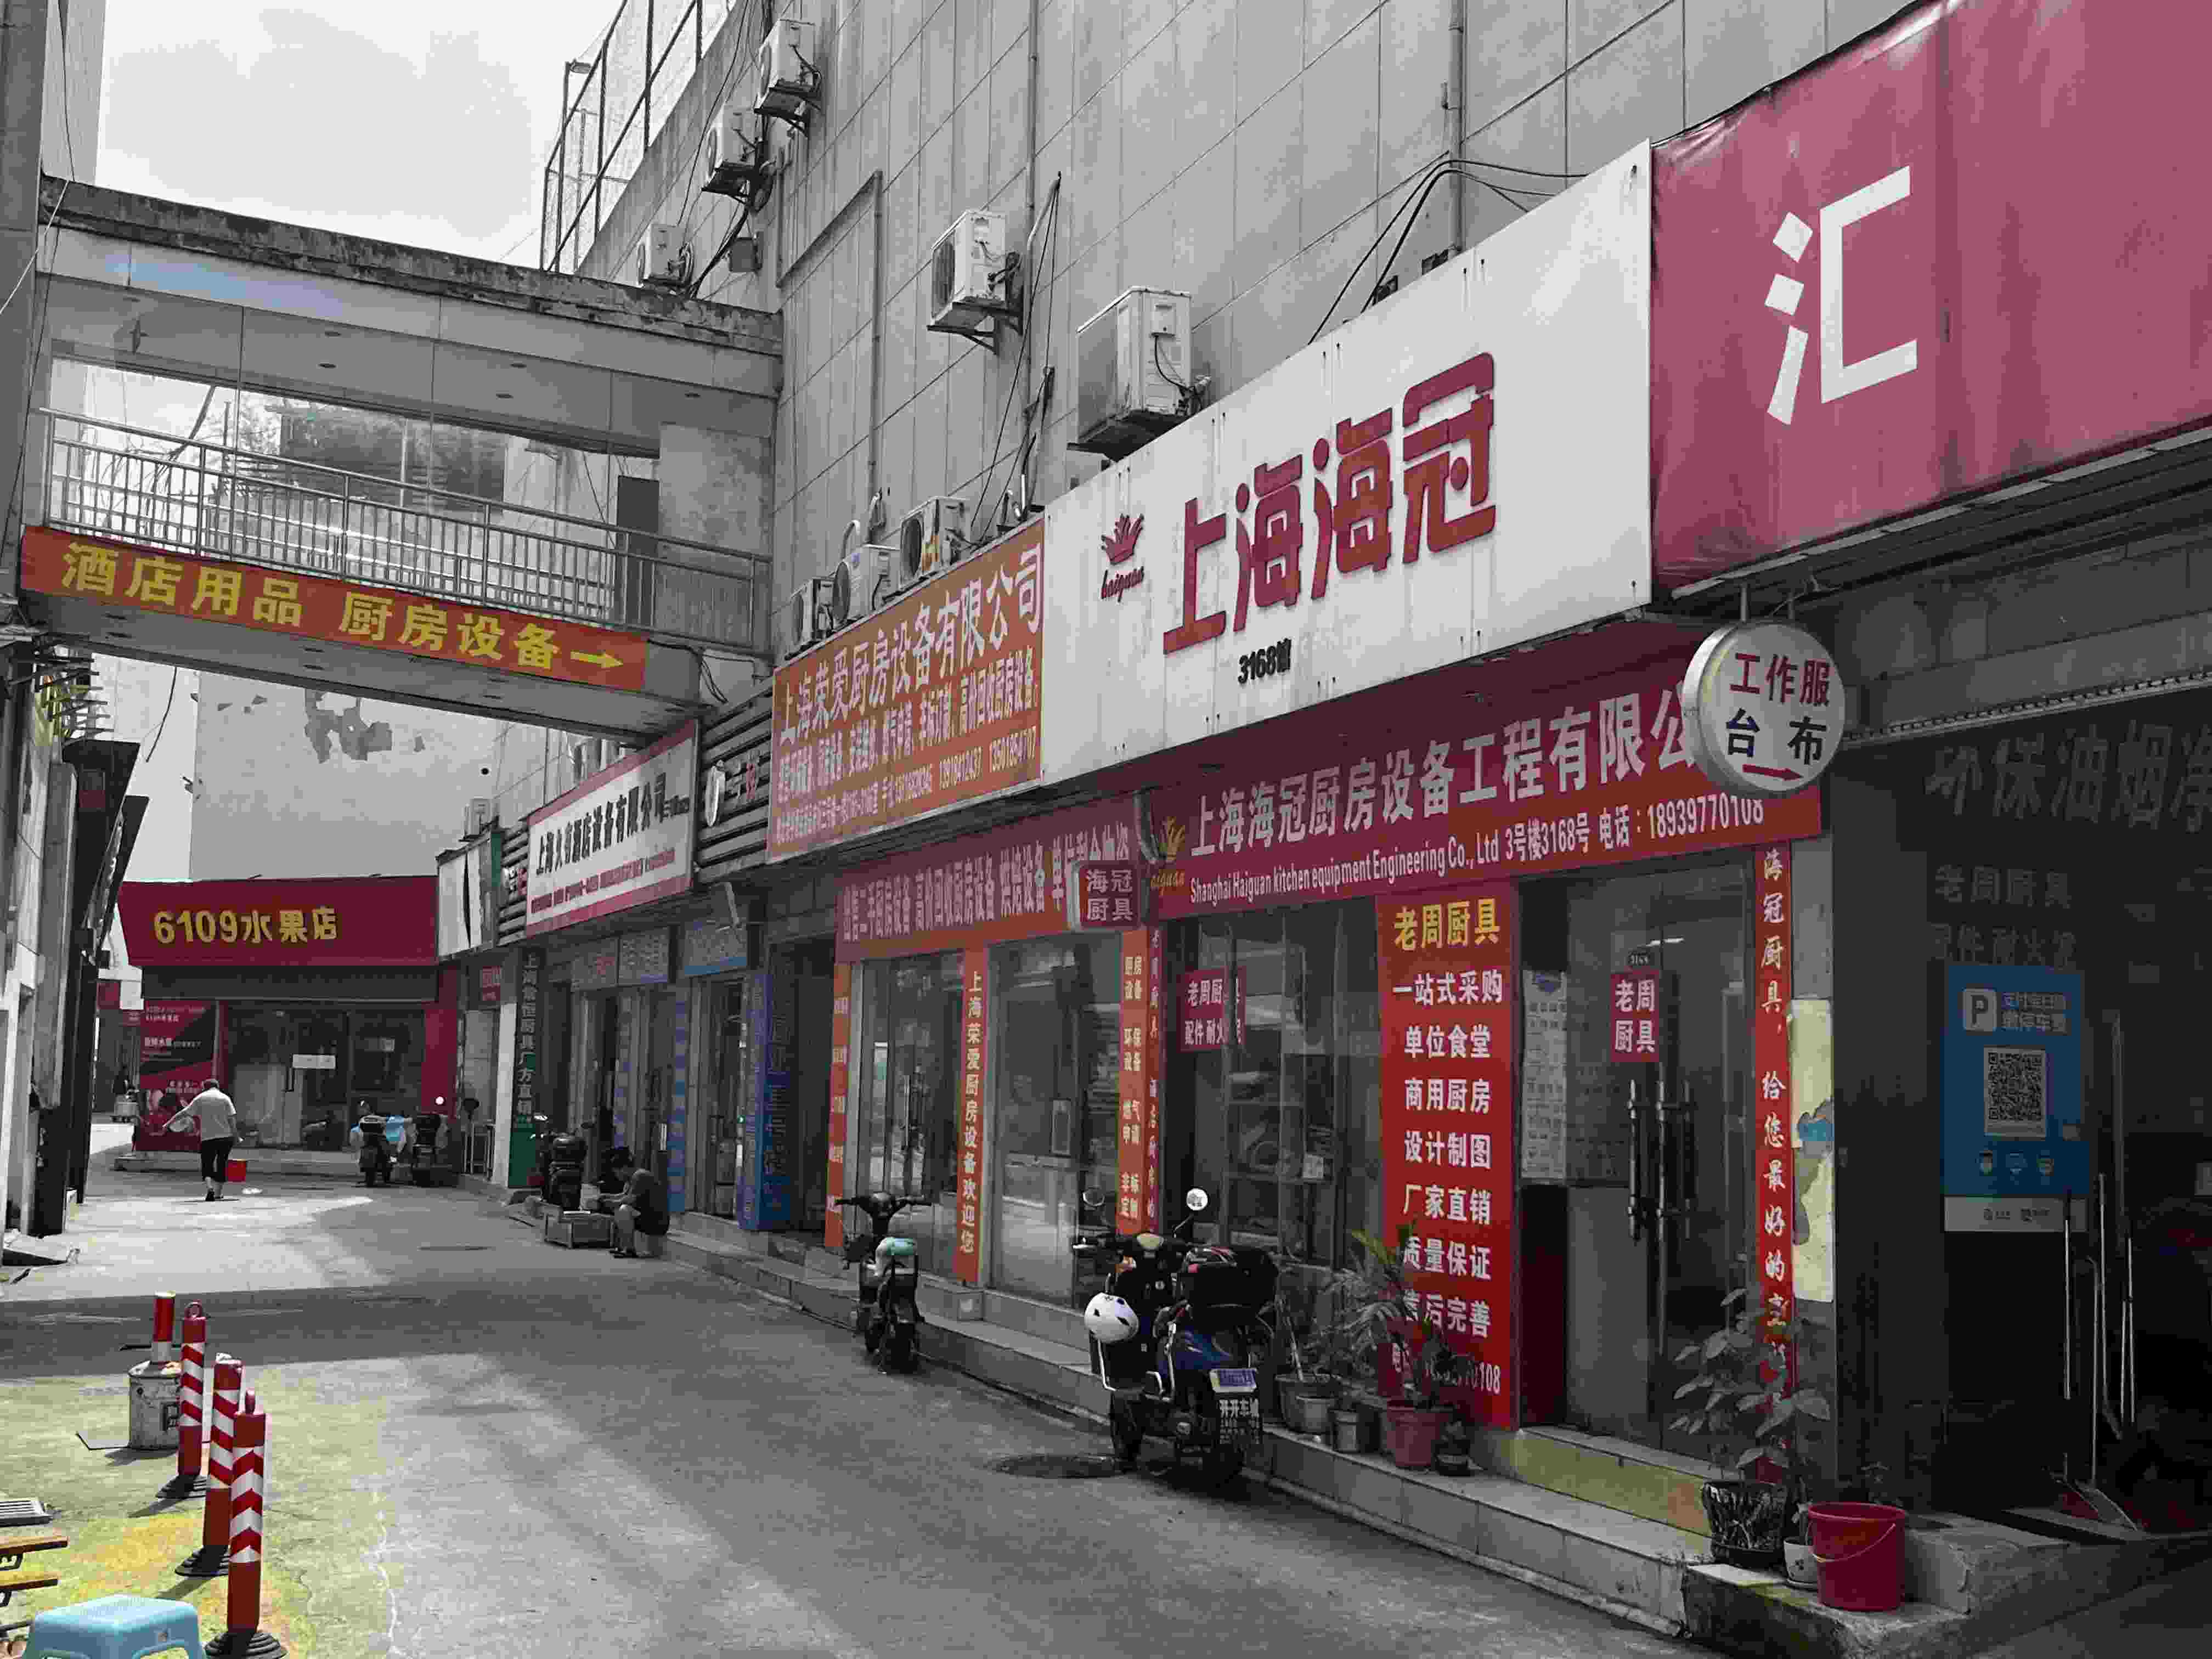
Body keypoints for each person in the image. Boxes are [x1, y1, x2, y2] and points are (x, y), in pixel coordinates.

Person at [164, 1079, 238, 1202]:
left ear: (205, 1087)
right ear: (217, 1087)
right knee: (222, 1163)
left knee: (207, 1164)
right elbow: (232, 1119)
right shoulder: (225, 1098)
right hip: (226, 1138)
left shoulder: (200, 1098)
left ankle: (210, 1189)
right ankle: (218, 1194)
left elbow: (184, 1113)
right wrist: (236, 1136)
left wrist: (168, 1124)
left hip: (208, 1138)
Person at [608, 1160, 666, 1259]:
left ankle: (630, 1250)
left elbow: (630, 1199)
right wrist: (606, 1198)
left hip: (658, 1222)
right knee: (620, 1209)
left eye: (616, 1173)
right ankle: (622, 1247)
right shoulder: (633, 1178)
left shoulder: (640, 1176)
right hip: (647, 1217)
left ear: (624, 1169)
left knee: (624, 1209)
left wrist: (614, 1203)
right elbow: (624, 1196)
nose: (617, 1177)